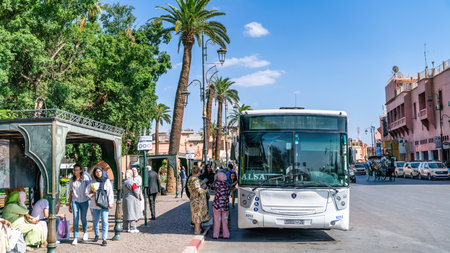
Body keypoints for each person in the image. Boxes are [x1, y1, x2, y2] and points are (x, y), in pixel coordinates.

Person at [87, 167, 114, 246]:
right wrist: (92, 194)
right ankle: (97, 234)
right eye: (96, 172)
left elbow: (110, 192)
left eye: (99, 171)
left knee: (105, 222)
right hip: (94, 205)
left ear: (102, 172)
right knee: (95, 221)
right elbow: (87, 192)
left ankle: (104, 238)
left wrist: (111, 203)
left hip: (104, 204)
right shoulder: (92, 182)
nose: (98, 173)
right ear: (94, 173)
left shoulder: (107, 181)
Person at [68, 163, 90, 245]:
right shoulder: (71, 180)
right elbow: (70, 193)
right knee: (75, 218)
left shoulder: (85, 178)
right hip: (75, 201)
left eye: (77, 170)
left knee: (83, 217)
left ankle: (85, 232)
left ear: (81, 170)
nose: (75, 172)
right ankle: (75, 237)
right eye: (74, 170)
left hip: (84, 201)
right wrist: (69, 204)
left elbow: (90, 187)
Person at [187, 166, 209, 235]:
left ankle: (198, 229)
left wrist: (201, 182)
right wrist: (205, 191)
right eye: (199, 171)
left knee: (195, 214)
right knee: (197, 214)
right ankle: (197, 230)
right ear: (197, 172)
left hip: (192, 198)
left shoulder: (190, 178)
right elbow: (198, 189)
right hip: (197, 199)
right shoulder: (195, 179)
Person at [211, 172, 230, 239]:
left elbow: (212, 185)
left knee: (217, 220)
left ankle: (216, 235)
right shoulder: (227, 185)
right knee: (225, 221)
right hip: (225, 205)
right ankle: (226, 235)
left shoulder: (216, 184)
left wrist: (216, 179)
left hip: (217, 205)